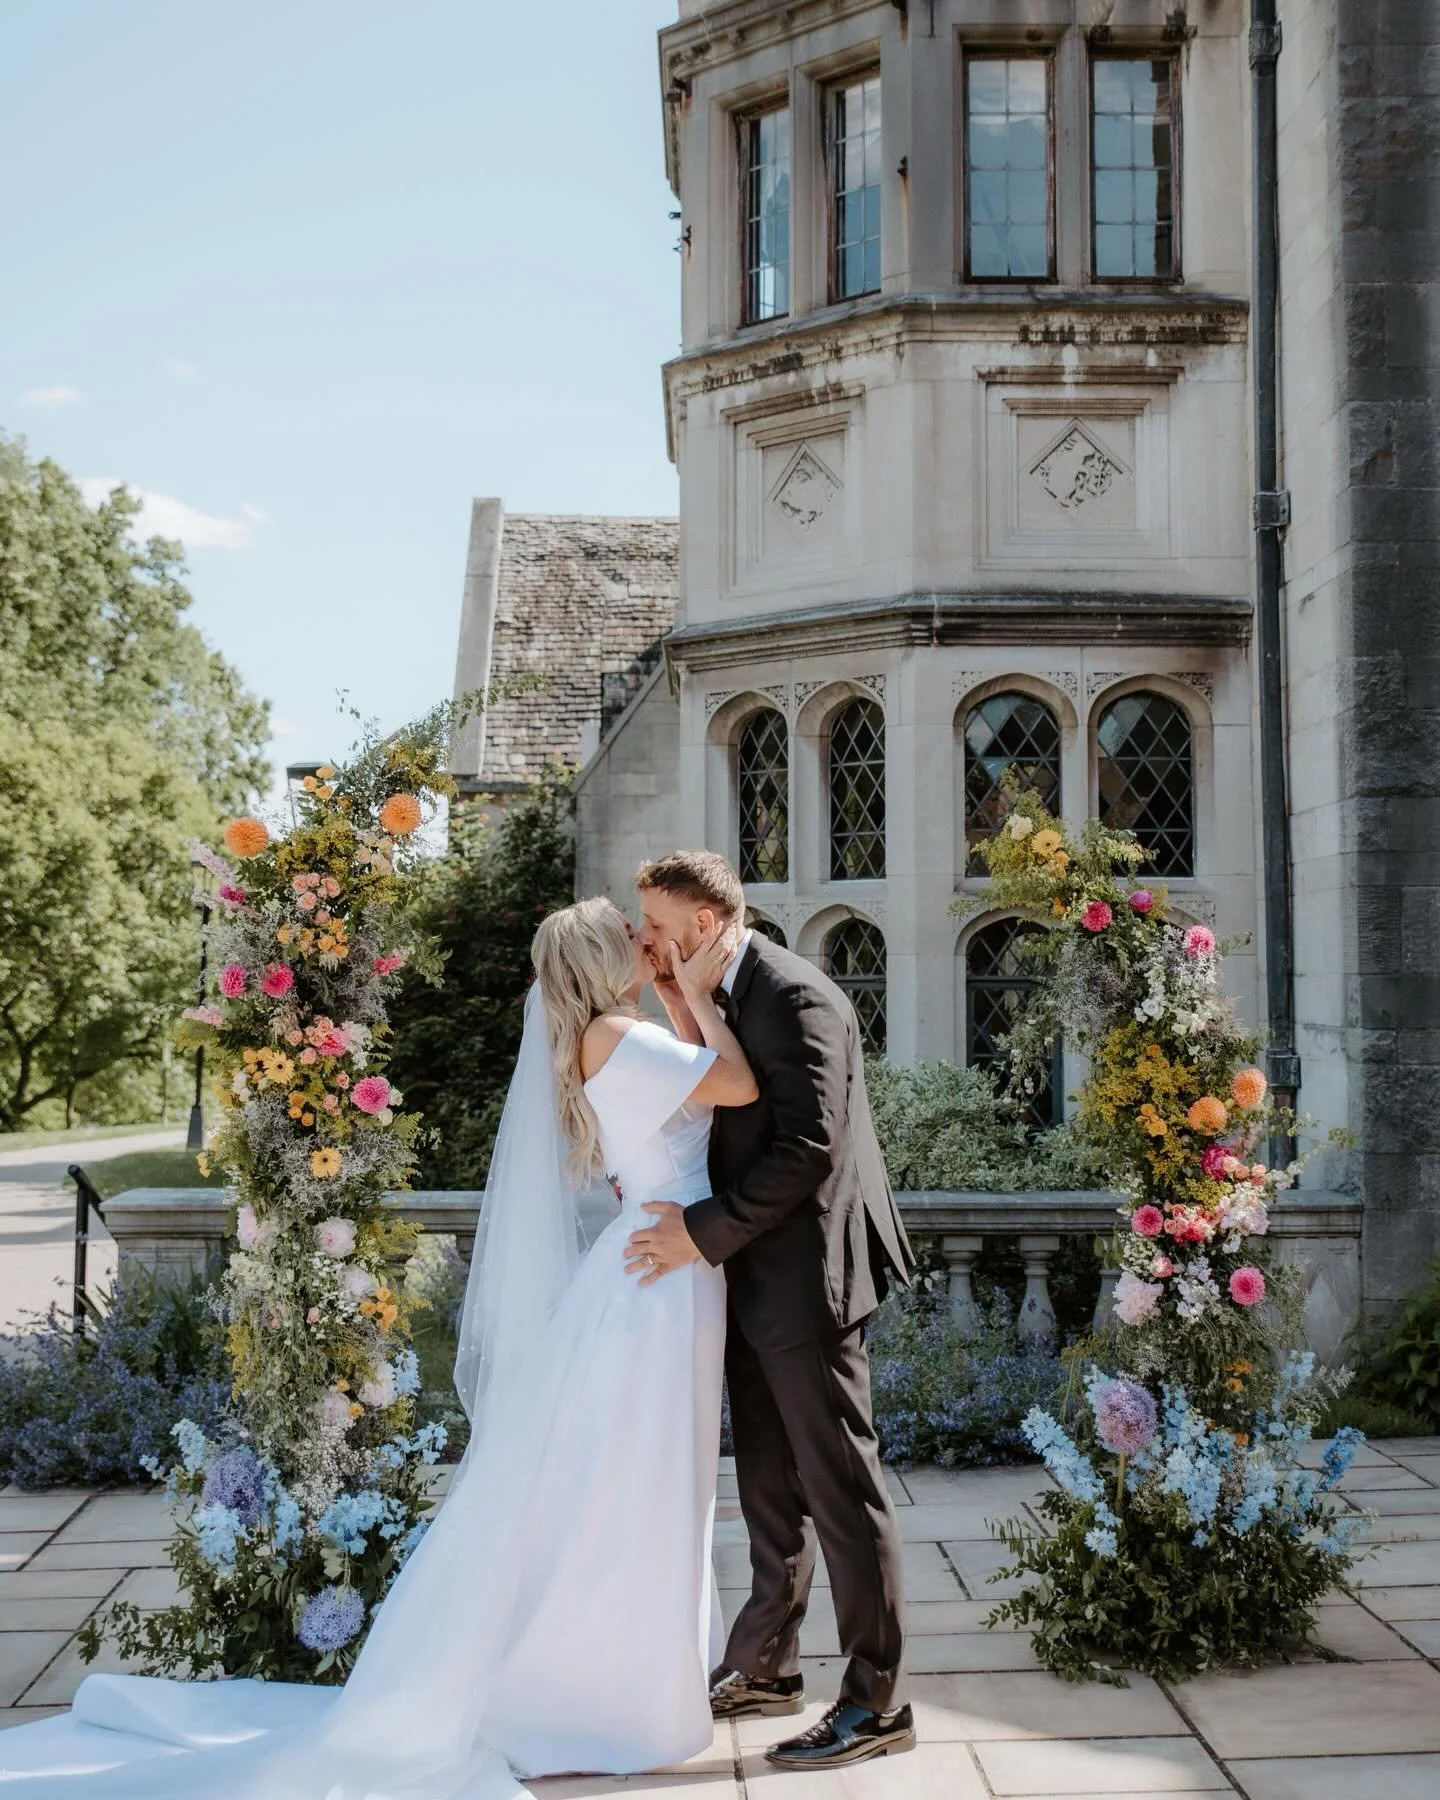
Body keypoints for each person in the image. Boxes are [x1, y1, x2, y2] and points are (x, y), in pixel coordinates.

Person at [0, 897, 757, 1799]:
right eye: (633, 940)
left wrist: (671, 995)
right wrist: (698, 991)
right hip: (655, 1285)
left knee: (639, 1480)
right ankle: (597, 1697)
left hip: (661, 1270)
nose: (649, 943)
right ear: (601, 960)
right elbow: (740, 1085)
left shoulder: (615, 1033)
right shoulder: (617, 1037)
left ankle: (618, 1682)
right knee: (637, 1482)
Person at [626, 850, 918, 1772]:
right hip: (750, 1276)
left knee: (842, 1492)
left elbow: (808, 1150)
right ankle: (765, 1665)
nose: (650, 947)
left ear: (704, 925)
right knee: (766, 1487)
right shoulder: (723, 992)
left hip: (808, 1279)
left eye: (660, 931)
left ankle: (877, 1704)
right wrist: (681, 1005)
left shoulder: (795, 996)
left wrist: (699, 1234)